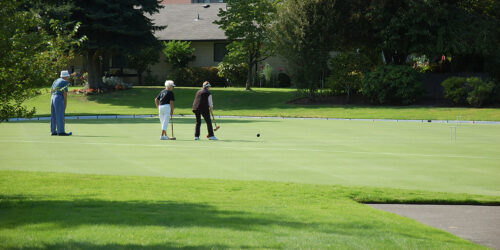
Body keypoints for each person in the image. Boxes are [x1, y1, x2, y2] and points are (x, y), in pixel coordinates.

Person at [50, 70, 71, 136]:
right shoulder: (64, 82)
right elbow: (65, 94)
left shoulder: (56, 81)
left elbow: (51, 91)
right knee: (60, 115)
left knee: (53, 115)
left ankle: (53, 131)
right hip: (58, 97)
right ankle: (61, 131)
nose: (68, 77)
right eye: (67, 76)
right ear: (66, 76)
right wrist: (65, 104)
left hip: (53, 97)